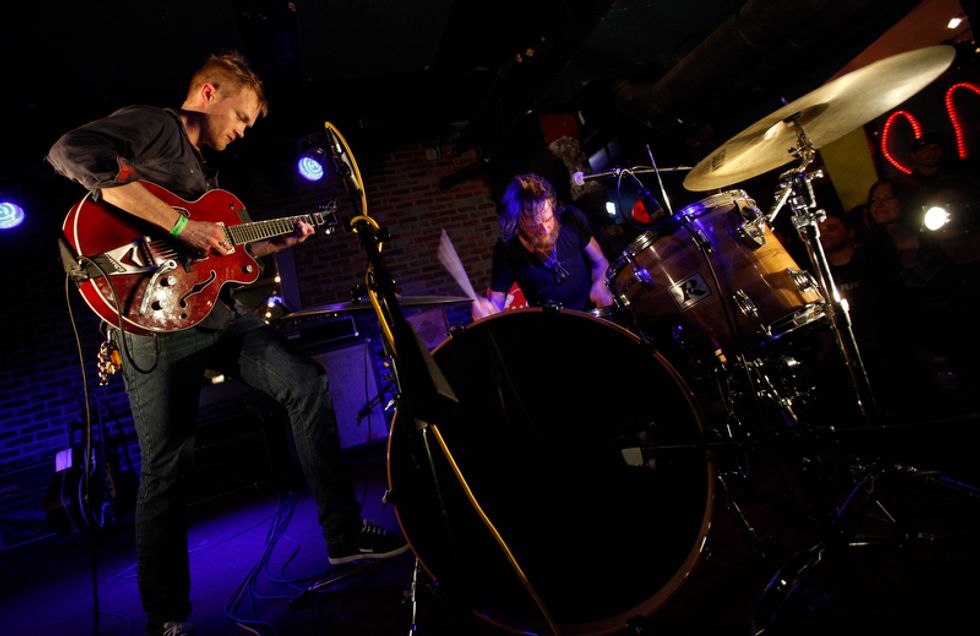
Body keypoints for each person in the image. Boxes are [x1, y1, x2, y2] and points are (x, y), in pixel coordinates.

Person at [47, 52, 407, 636]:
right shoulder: (158, 126)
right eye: (242, 117)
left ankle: (343, 536)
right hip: (151, 326)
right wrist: (183, 226)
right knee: (167, 467)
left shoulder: (205, 175)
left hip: (214, 315)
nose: (243, 131)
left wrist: (271, 243)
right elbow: (71, 152)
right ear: (209, 93)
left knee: (306, 382)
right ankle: (167, 618)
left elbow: (214, 260)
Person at [471, 173, 615, 319]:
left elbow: (599, 261)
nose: (546, 230)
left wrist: (601, 282)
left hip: (594, 317)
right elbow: (496, 302)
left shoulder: (571, 218)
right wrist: (487, 310)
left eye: (548, 219)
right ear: (519, 222)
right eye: (535, 226)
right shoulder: (507, 249)